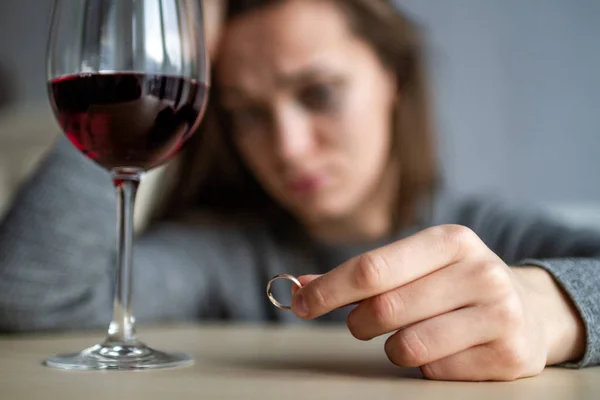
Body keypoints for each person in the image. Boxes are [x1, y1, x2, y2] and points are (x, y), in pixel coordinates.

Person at [1, 0, 599, 382]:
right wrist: (172, 55)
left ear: (392, 80)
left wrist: (552, 308)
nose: (286, 147)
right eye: (248, 113)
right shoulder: (225, 257)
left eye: (318, 94)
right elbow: (30, 295)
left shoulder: (498, 235)